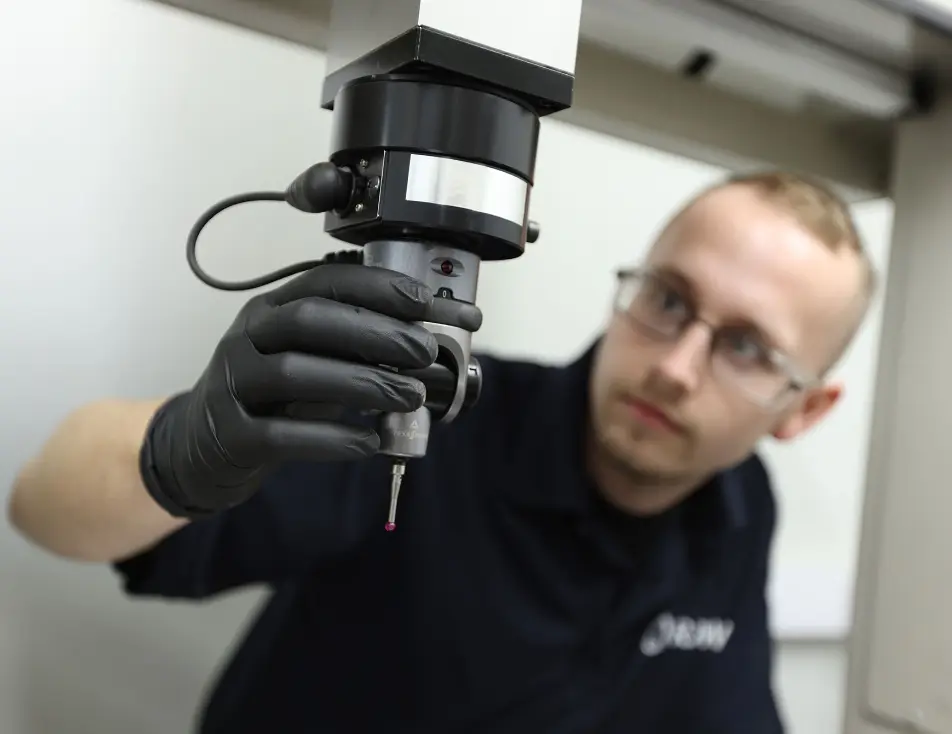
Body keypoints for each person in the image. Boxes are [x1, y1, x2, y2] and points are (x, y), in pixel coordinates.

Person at [8, 170, 876, 733]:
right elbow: (41, 507)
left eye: (747, 349)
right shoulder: (426, 414)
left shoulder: (737, 504)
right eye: (669, 300)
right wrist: (184, 446)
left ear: (803, 410)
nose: (676, 368)